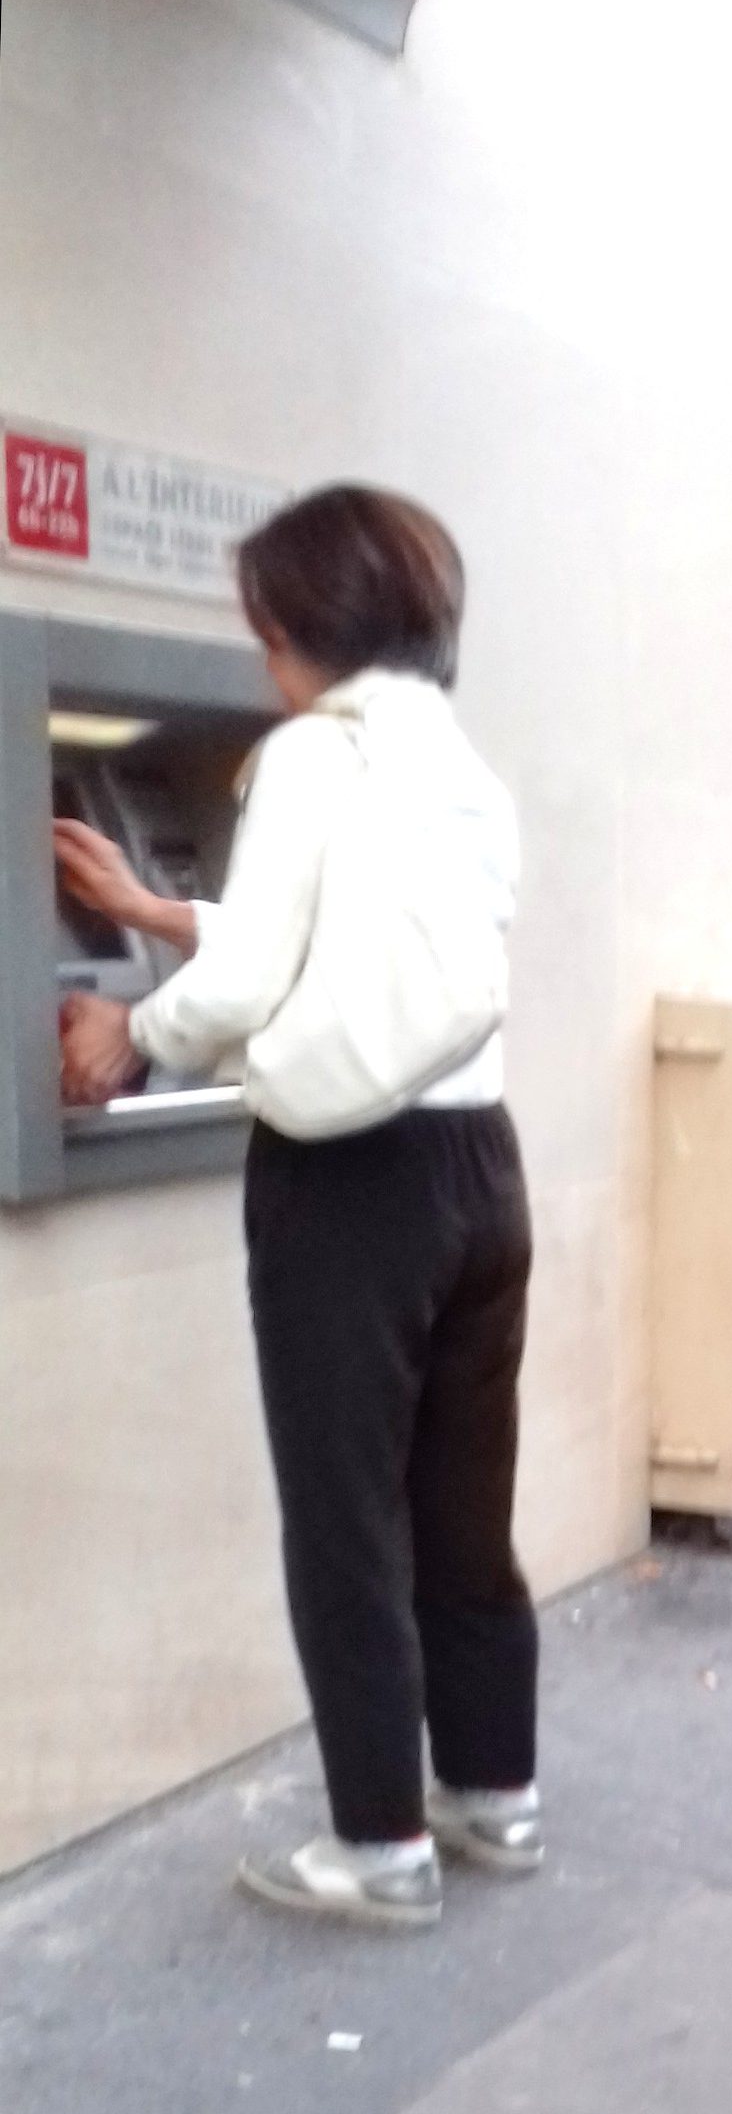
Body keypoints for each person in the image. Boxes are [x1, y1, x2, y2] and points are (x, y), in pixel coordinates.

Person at [56, 485, 539, 1931]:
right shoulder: (458, 765)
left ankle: (377, 1845)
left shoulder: (311, 755)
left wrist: (132, 1031)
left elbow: (260, 975)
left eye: (265, 627)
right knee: (462, 1512)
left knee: (344, 1518)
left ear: (309, 625)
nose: (262, 657)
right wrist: (161, 916)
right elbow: (349, 943)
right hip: (478, 1166)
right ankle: (493, 1793)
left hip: (350, 1183)